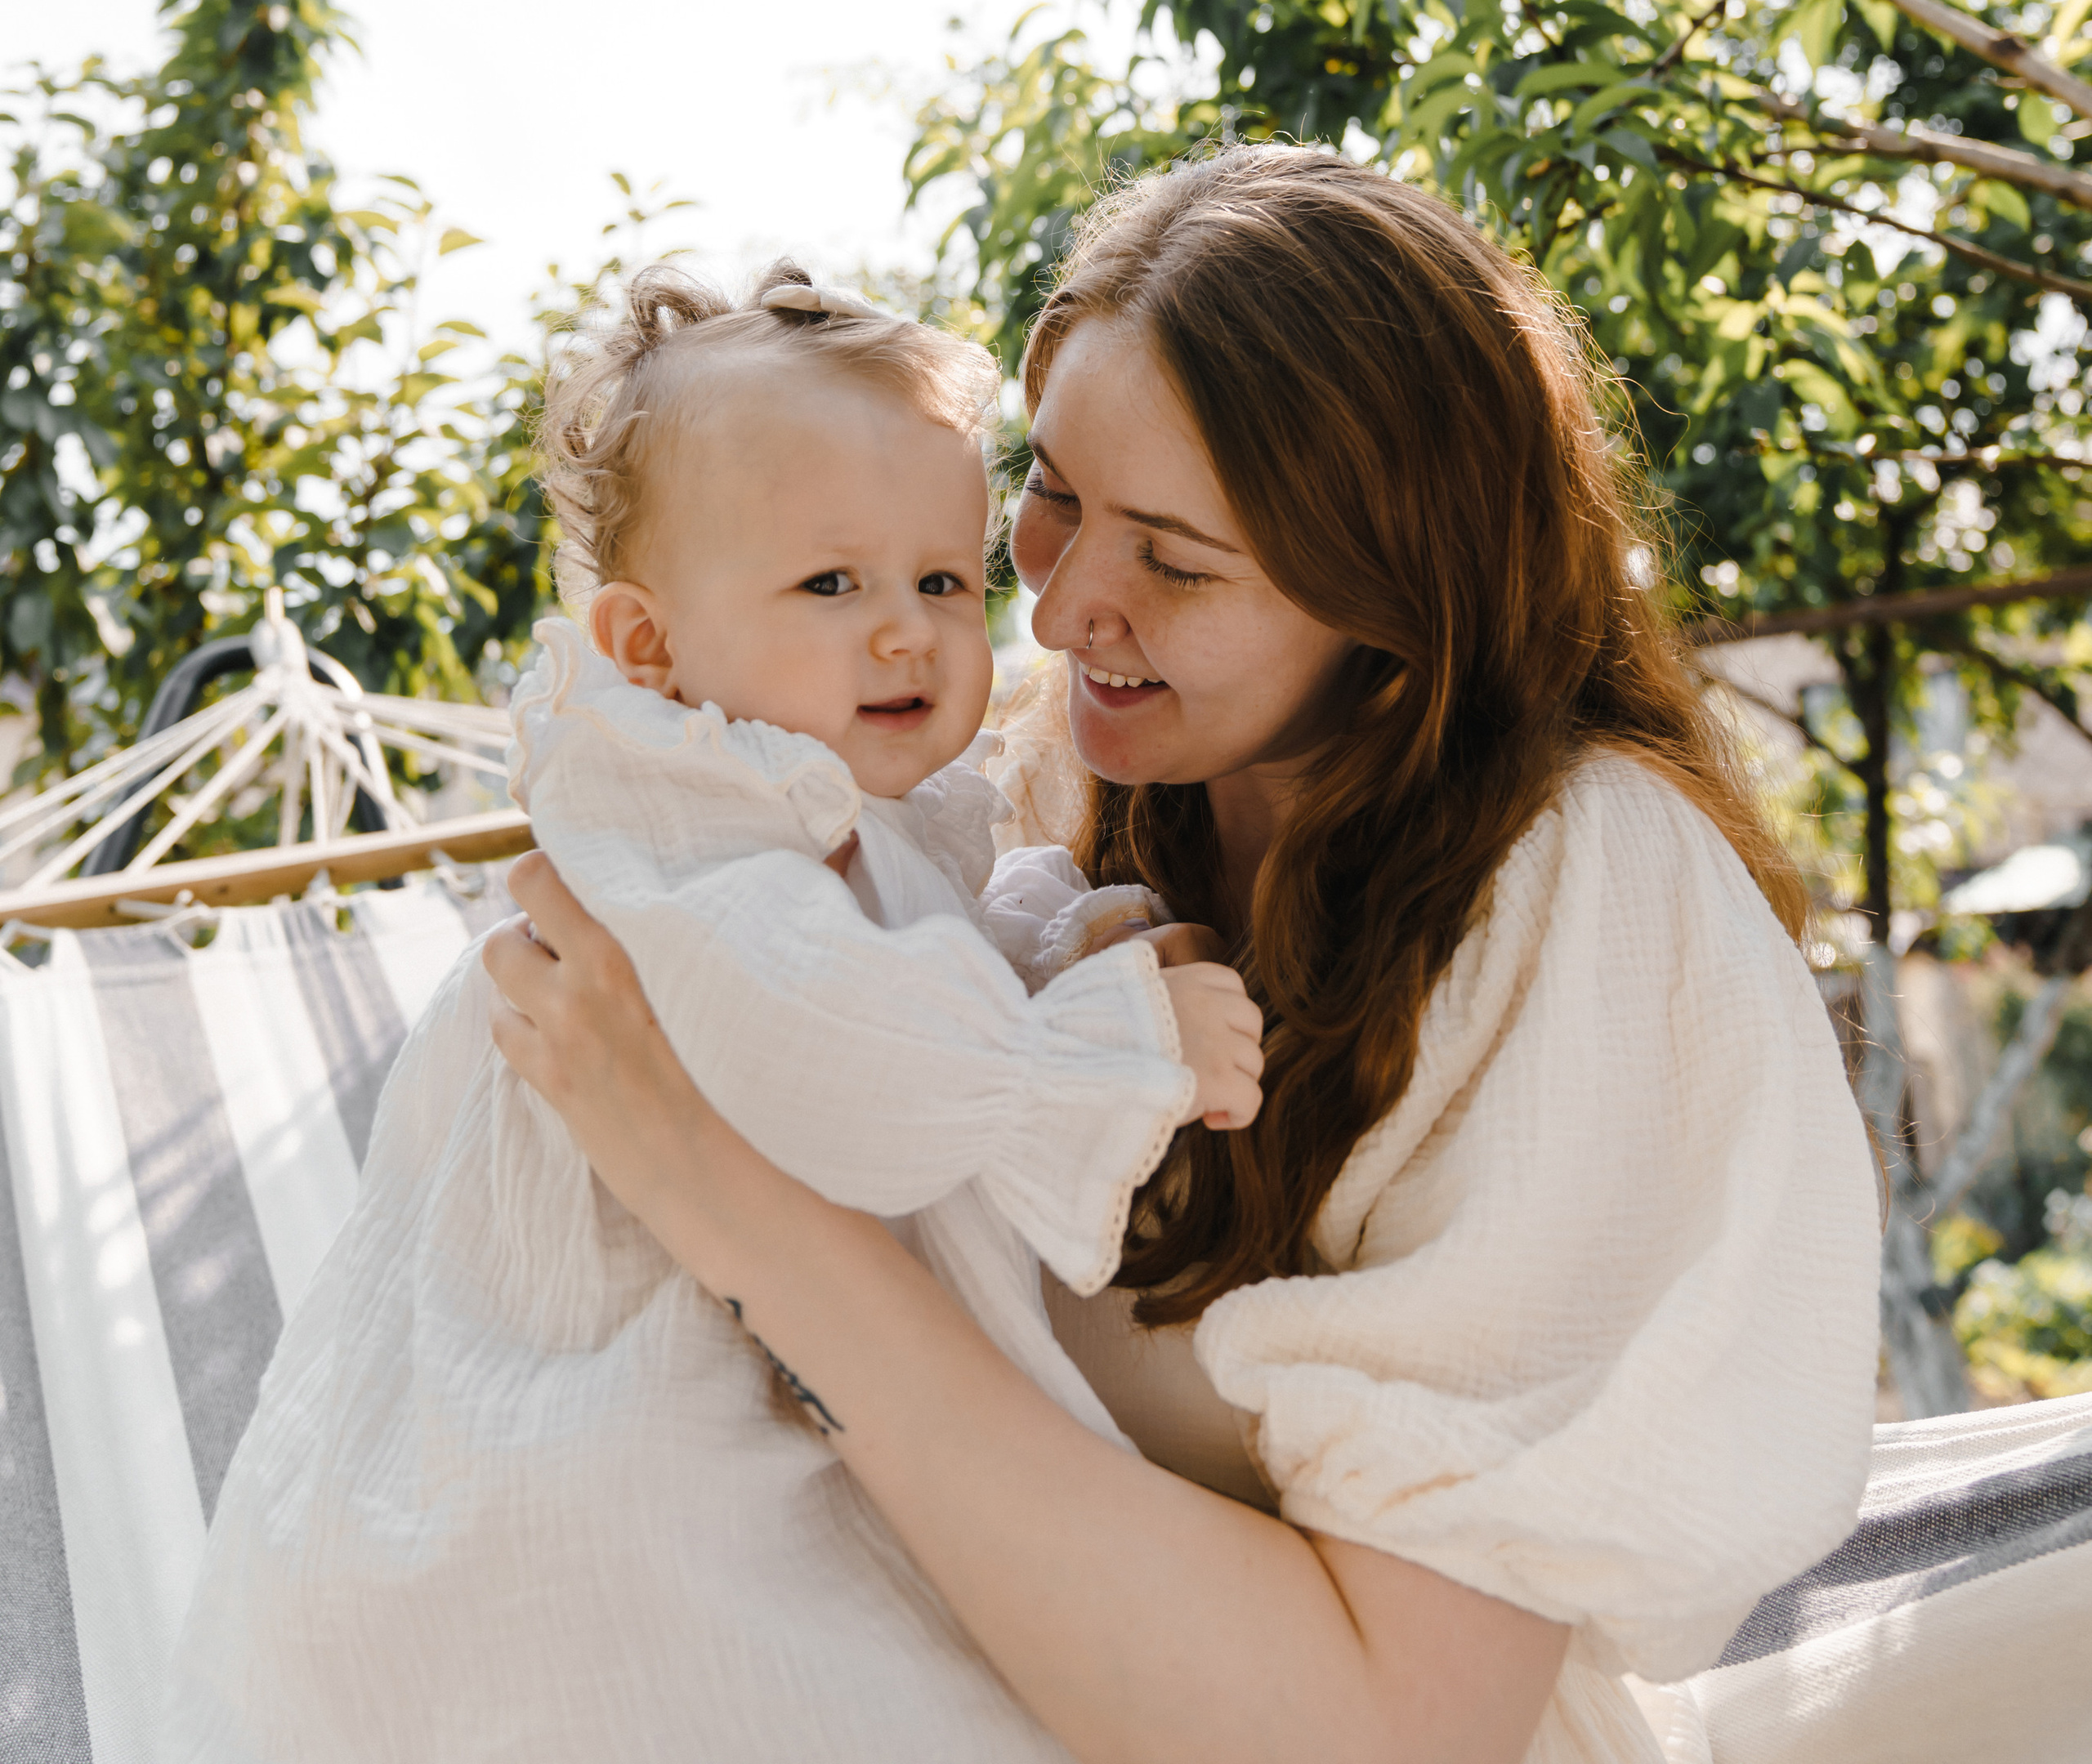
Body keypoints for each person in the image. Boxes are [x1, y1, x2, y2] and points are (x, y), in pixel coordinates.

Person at [486, 149, 1883, 1764]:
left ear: (1391, 592)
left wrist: (734, 1203)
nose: (1067, 609)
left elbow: (1396, 1734)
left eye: (1177, 557)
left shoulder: (1576, 895)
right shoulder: (1037, 789)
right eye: (1057, 494)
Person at [165, 261, 1263, 1764]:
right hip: (592, 1456)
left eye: (942, 580)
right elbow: (831, 1052)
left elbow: (908, 943)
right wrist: (1105, 1056)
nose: (906, 632)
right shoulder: (685, 819)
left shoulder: (833, 809)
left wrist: (1065, 947)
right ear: (645, 648)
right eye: (832, 583)